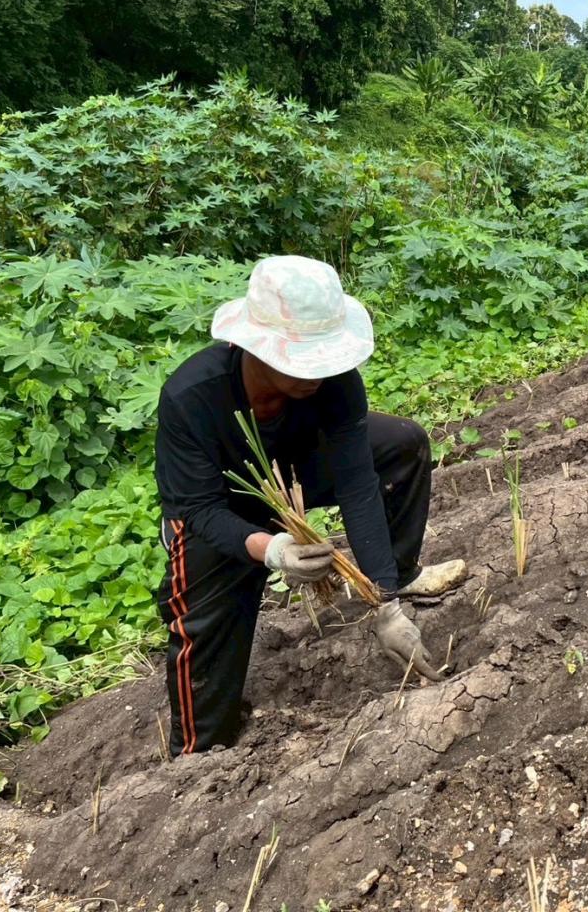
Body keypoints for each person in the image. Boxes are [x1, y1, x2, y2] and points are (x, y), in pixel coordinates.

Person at [154, 255, 445, 756]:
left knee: (401, 443)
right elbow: (198, 510)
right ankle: (196, 751)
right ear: (253, 346)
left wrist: (385, 601)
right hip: (222, 509)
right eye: (303, 359)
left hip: (298, 471)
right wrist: (273, 550)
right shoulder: (192, 397)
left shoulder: (335, 383)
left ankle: (398, 575)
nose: (318, 373)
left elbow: (356, 482)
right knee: (207, 603)